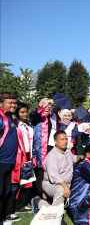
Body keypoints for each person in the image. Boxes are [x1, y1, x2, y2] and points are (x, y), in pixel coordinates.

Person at [42, 131, 77, 206]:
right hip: (53, 184)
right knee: (60, 190)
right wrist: (65, 187)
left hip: (67, 183)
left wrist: (82, 156)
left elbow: (74, 159)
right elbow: (54, 177)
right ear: (55, 142)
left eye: (66, 139)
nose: (65, 141)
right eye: (62, 139)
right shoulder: (52, 156)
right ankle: (56, 213)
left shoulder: (67, 151)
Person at [0, 93, 18, 224]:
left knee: (5, 191)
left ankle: (3, 217)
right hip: (1, 161)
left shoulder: (10, 117)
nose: (13, 105)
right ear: (1, 104)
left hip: (9, 161)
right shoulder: (1, 118)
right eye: (9, 102)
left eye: (14, 103)